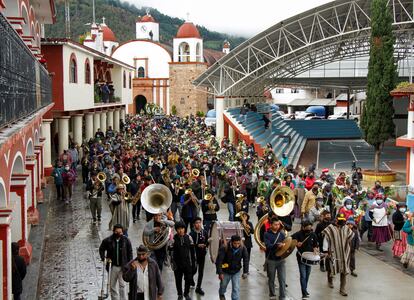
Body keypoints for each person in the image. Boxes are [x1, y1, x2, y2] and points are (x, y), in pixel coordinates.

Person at [322, 213, 354, 297]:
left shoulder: (346, 228)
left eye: (343, 220)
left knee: (344, 269)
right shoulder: (330, 228)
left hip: (344, 252)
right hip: (333, 252)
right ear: (336, 219)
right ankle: (330, 280)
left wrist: (350, 248)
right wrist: (325, 251)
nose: (342, 222)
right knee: (331, 267)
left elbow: (350, 237)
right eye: (340, 220)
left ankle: (342, 288)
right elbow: (326, 239)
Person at [99, 224, 133, 300]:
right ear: (114, 231)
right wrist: (104, 258)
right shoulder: (108, 240)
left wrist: (129, 263)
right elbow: (101, 249)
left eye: (121, 232)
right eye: (117, 232)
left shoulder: (126, 240)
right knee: (112, 285)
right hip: (113, 266)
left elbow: (130, 252)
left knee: (122, 285)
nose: (119, 234)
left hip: (123, 266)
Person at [216, 235, 249, 300]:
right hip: (225, 271)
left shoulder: (242, 248)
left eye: (238, 243)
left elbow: (246, 260)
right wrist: (220, 273)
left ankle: (235, 298)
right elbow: (219, 261)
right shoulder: (224, 247)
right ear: (231, 242)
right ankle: (221, 294)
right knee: (223, 285)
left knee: (236, 287)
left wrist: (245, 272)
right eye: (235, 243)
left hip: (236, 271)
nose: (237, 245)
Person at [291, 220, 318, 299]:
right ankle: (304, 292)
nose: (309, 229)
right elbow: (290, 240)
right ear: (303, 227)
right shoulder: (298, 234)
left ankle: (304, 289)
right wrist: (296, 243)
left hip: (310, 258)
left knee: (307, 274)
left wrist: (315, 249)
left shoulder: (313, 234)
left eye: (310, 227)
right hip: (301, 257)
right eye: (307, 227)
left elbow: (315, 245)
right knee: (303, 275)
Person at [170, 221, 196, 300]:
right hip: (177, 263)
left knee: (188, 278)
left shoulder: (189, 238)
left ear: (185, 229)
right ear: (176, 230)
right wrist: (172, 263)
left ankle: (186, 293)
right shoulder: (173, 239)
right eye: (178, 229)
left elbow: (192, 252)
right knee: (178, 279)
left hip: (187, 263)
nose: (181, 230)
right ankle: (180, 294)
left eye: (182, 228)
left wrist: (193, 263)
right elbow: (170, 252)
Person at [264, 217, 287, 300]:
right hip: (271, 260)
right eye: (275, 224)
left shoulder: (281, 234)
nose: (277, 226)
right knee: (271, 279)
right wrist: (277, 245)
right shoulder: (266, 234)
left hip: (281, 260)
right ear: (271, 225)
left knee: (282, 279)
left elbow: (286, 244)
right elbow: (268, 246)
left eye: (278, 224)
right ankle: (272, 294)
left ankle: (282, 296)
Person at [189, 217, 208, 295]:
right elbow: (190, 245)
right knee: (193, 269)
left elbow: (206, 242)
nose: (198, 224)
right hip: (193, 254)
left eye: (199, 222)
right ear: (194, 224)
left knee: (201, 271)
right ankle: (190, 279)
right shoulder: (191, 234)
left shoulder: (205, 232)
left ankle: (198, 287)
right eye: (196, 223)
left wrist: (207, 244)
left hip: (202, 254)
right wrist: (197, 245)